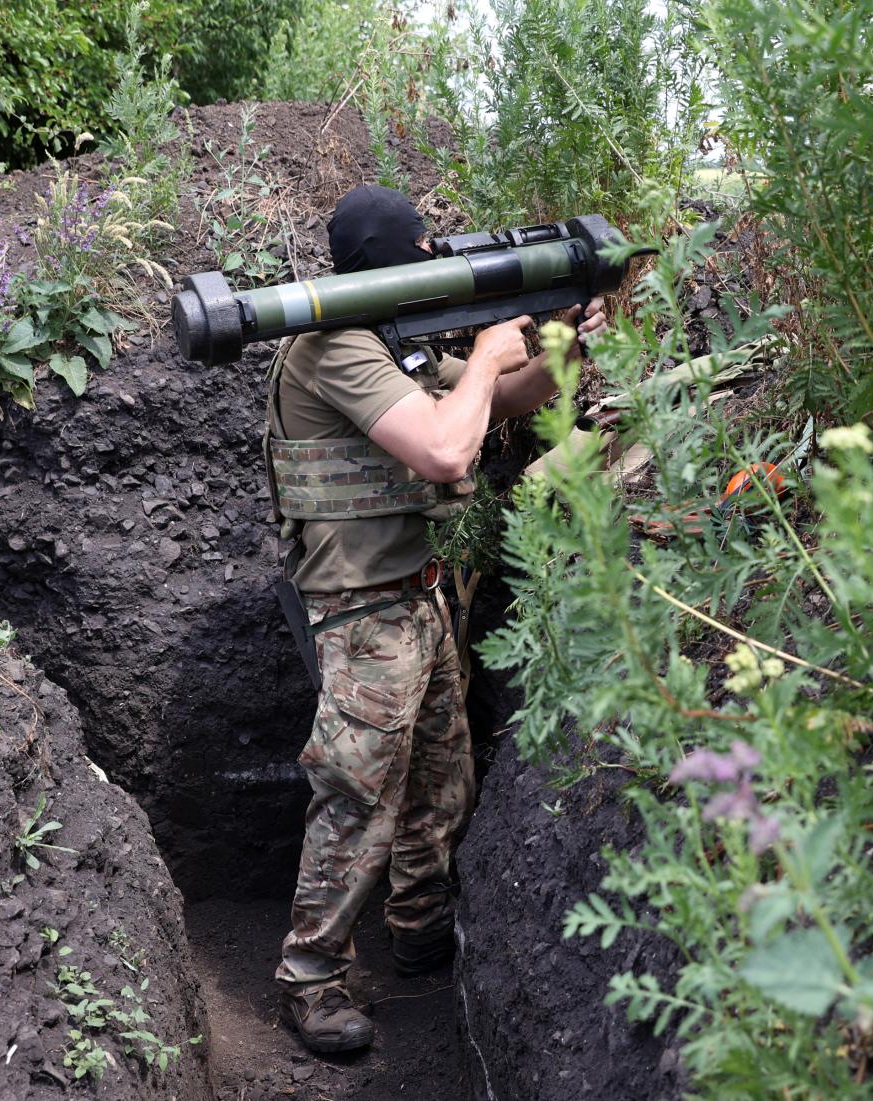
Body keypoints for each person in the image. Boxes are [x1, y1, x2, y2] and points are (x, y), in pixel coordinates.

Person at [266, 184, 606, 1053]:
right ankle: (311, 980)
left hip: (418, 595)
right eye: (419, 247)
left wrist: (558, 335)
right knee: (358, 798)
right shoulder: (333, 346)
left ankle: (417, 932)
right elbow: (448, 446)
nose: (429, 260)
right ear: (386, 255)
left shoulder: (391, 344)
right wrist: (489, 356)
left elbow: (514, 400)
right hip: (360, 610)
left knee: (441, 783)